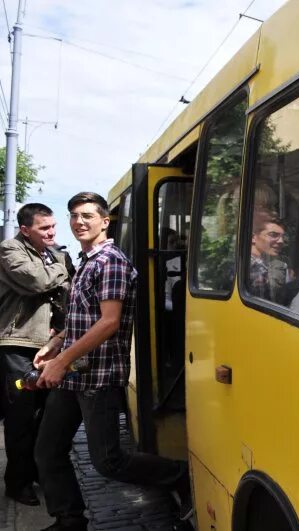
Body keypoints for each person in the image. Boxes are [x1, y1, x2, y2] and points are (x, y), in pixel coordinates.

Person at [32, 192, 190, 531]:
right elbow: (81, 317)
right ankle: (69, 520)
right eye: (74, 215)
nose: (78, 222)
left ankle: (180, 475)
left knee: (108, 462)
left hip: (98, 378)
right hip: (75, 375)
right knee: (47, 450)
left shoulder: (110, 261)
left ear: (105, 221)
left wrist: (61, 362)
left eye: (87, 215)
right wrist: (54, 345)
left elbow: (108, 322)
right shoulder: (88, 260)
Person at [0, 203, 73, 507]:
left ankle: (39, 473)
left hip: (50, 344)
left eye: (53, 226)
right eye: (44, 228)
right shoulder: (9, 249)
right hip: (17, 344)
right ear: (25, 229)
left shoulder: (52, 253)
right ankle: (17, 483)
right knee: (21, 417)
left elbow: (70, 290)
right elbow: (38, 282)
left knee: (44, 416)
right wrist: (62, 266)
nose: (52, 233)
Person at [249, 212, 291, 302]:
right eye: (273, 235)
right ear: (253, 237)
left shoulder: (280, 266)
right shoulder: (240, 266)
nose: (281, 241)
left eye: (282, 237)